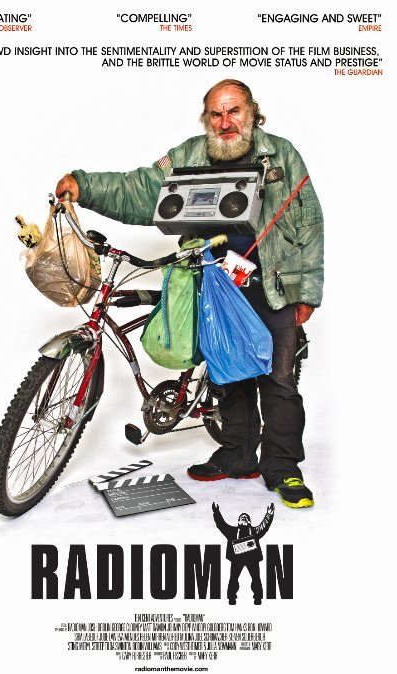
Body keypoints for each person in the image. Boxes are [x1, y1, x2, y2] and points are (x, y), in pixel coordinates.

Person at [56, 79, 324, 509]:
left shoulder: (282, 154)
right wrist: (84, 186)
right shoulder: (188, 156)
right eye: (216, 114)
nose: (225, 122)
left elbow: (310, 222)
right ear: (206, 119)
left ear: (252, 113)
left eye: (234, 111)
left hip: (272, 284)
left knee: (278, 379)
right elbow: (141, 188)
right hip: (214, 281)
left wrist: (308, 290)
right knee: (226, 373)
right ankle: (237, 456)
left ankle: (284, 468)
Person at [212, 502, 274, 605]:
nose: (244, 518)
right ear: (238, 521)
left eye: (246, 517)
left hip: (252, 559)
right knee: (233, 579)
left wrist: (269, 514)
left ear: (249, 521)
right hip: (237, 559)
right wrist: (216, 512)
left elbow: (264, 526)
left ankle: (258, 598)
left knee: (256, 579)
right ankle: (231, 598)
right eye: (242, 517)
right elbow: (221, 524)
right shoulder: (232, 531)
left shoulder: (255, 531)